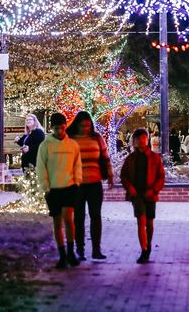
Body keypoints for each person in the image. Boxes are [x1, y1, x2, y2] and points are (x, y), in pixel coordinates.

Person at [37, 112, 82, 269]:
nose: (60, 131)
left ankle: (70, 252)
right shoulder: (45, 146)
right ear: (51, 128)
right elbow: (41, 167)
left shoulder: (72, 145)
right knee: (57, 222)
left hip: (69, 187)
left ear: (65, 127)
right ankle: (62, 254)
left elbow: (77, 165)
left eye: (62, 128)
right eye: (56, 128)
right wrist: (46, 187)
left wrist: (77, 181)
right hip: (54, 189)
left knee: (69, 220)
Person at [68, 111, 113, 260]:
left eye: (88, 126)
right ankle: (80, 249)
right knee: (78, 217)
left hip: (95, 183)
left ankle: (96, 249)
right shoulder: (70, 139)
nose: (86, 128)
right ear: (77, 125)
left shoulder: (97, 138)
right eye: (82, 126)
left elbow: (105, 157)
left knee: (96, 216)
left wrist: (111, 175)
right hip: (77, 184)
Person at [120, 128, 165, 264]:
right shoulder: (131, 159)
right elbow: (124, 176)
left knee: (149, 223)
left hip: (150, 193)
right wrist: (130, 188)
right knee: (141, 221)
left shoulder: (154, 158)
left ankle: (148, 244)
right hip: (137, 194)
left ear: (147, 139)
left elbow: (161, 177)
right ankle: (144, 249)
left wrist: (154, 190)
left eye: (144, 138)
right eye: (138, 139)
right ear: (134, 141)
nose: (141, 141)